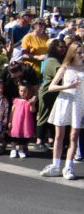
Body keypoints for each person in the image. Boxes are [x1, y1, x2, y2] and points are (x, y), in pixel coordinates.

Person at [40, 42, 84, 180]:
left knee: (74, 136)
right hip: (64, 101)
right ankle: (56, 165)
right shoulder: (65, 67)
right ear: (72, 53)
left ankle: (68, 166)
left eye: (83, 52)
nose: (82, 55)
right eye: (79, 53)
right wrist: (67, 86)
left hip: (79, 104)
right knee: (59, 136)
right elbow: (51, 87)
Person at [9, 82, 37, 159]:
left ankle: (21, 149)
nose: (23, 93)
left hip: (26, 122)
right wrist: (10, 121)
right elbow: (12, 111)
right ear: (18, 91)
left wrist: (32, 104)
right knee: (14, 135)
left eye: (25, 91)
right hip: (16, 121)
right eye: (21, 91)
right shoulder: (16, 100)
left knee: (23, 136)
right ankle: (13, 149)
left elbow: (32, 111)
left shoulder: (30, 100)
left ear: (28, 91)